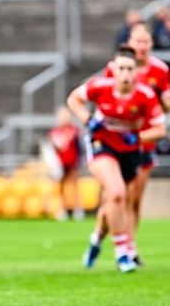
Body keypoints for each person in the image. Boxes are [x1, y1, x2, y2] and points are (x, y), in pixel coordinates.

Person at [67, 46, 166, 273]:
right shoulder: (100, 86)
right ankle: (123, 254)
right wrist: (87, 118)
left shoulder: (145, 95)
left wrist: (138, 136)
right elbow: (73, 99)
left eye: (130, 69)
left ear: (135, 72)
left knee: (113, 203)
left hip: (129, 151)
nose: (125, 73)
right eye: (121, 68)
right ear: (113, 69)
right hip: (102, 145)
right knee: (117, 192)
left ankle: (96, 239)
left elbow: (160, 129)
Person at [91, 23, 170, 266]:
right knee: (115, 197)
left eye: (146, 41)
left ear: (151, 44)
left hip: (142, 140)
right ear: (130, 43)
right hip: (115, 142)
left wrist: (164, 103)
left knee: (133, 199)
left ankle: (130, 249)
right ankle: (100, 237)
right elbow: (105, 98)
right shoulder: (117, 68)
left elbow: (165, 108)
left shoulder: (161, 71)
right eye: (138, 41)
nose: (142, 46)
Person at [48, 105, 84, 221]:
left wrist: (80, 160)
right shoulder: (55, 132)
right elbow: (52, 150)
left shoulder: (74, 131)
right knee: (61, 188)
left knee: (75, 186)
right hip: (60, 164)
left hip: (73, 162)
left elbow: (79, 147)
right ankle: (62, 210)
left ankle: (78, 209)